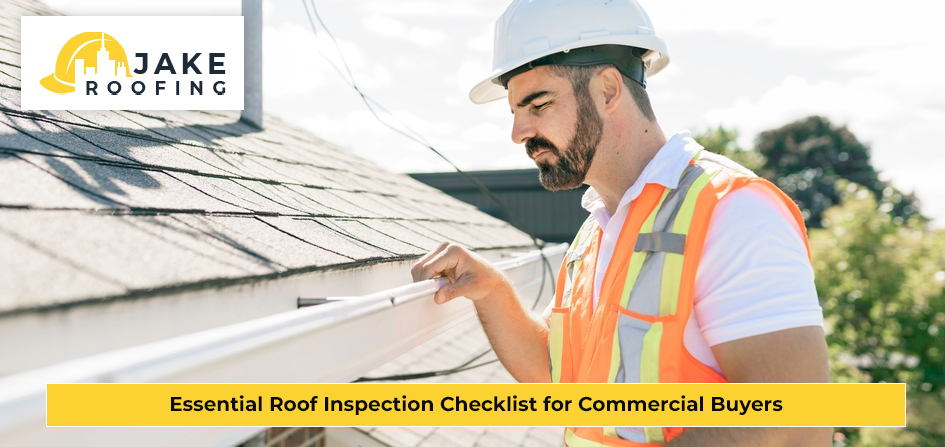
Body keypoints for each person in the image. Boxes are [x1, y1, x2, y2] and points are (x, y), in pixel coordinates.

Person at [411, 0, 831, 445]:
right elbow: (563, 383)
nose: (518, 132)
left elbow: (793, 419)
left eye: (537, 105)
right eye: (515, 112)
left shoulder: (734, 213)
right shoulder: (597, 232)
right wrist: (492, 291)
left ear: (608, 90)